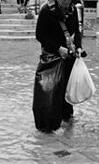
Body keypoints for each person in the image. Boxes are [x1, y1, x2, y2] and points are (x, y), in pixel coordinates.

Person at [33, 0, 84, 132]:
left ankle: (67, 118)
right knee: (50, 92)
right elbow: (40, 35)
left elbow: (77, 33)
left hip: (69, 58)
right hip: (52, 59)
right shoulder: (46, 11)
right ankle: (48, 124)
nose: (66, 2)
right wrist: (58, 48)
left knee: (67, 89)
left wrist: (78, 47)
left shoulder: (73, 10)